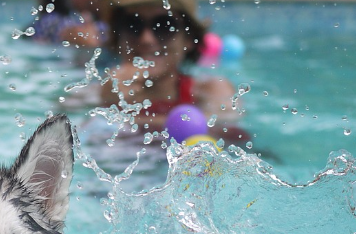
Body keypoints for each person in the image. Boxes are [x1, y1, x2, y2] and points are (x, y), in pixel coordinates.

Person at [101, 0, 248, 145]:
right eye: (132, 25)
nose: (146, 39)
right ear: (118, 37)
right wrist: (106, 102)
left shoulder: (210, 91)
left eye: (164, 26)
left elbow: (229, 134)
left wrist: (114, 119)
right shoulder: (101, 92)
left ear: (189, 39)